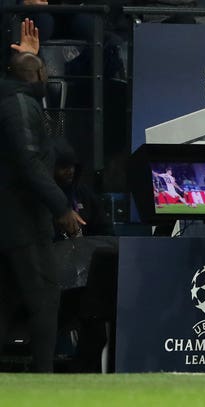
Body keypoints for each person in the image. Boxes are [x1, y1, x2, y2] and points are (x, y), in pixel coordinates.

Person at [0, 52, 83, 372]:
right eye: (45, 73)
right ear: (36, 76)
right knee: (46, 297)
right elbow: (29, 163)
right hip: (22, 219)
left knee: (6, 300)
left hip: (12, 217)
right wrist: (61, 207)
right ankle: (43, 379)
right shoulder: (19, 105)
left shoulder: (13, 100)